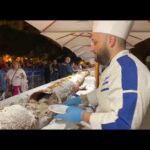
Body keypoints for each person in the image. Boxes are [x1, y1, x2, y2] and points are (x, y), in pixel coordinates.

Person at [55, 21, 150, 129]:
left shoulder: (129, 69)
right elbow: (106, 91)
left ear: (111, 41)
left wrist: (83, 116)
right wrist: (83, 99)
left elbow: (124, 124)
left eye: (95, 42)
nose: (91, 48)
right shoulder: (113, 67)